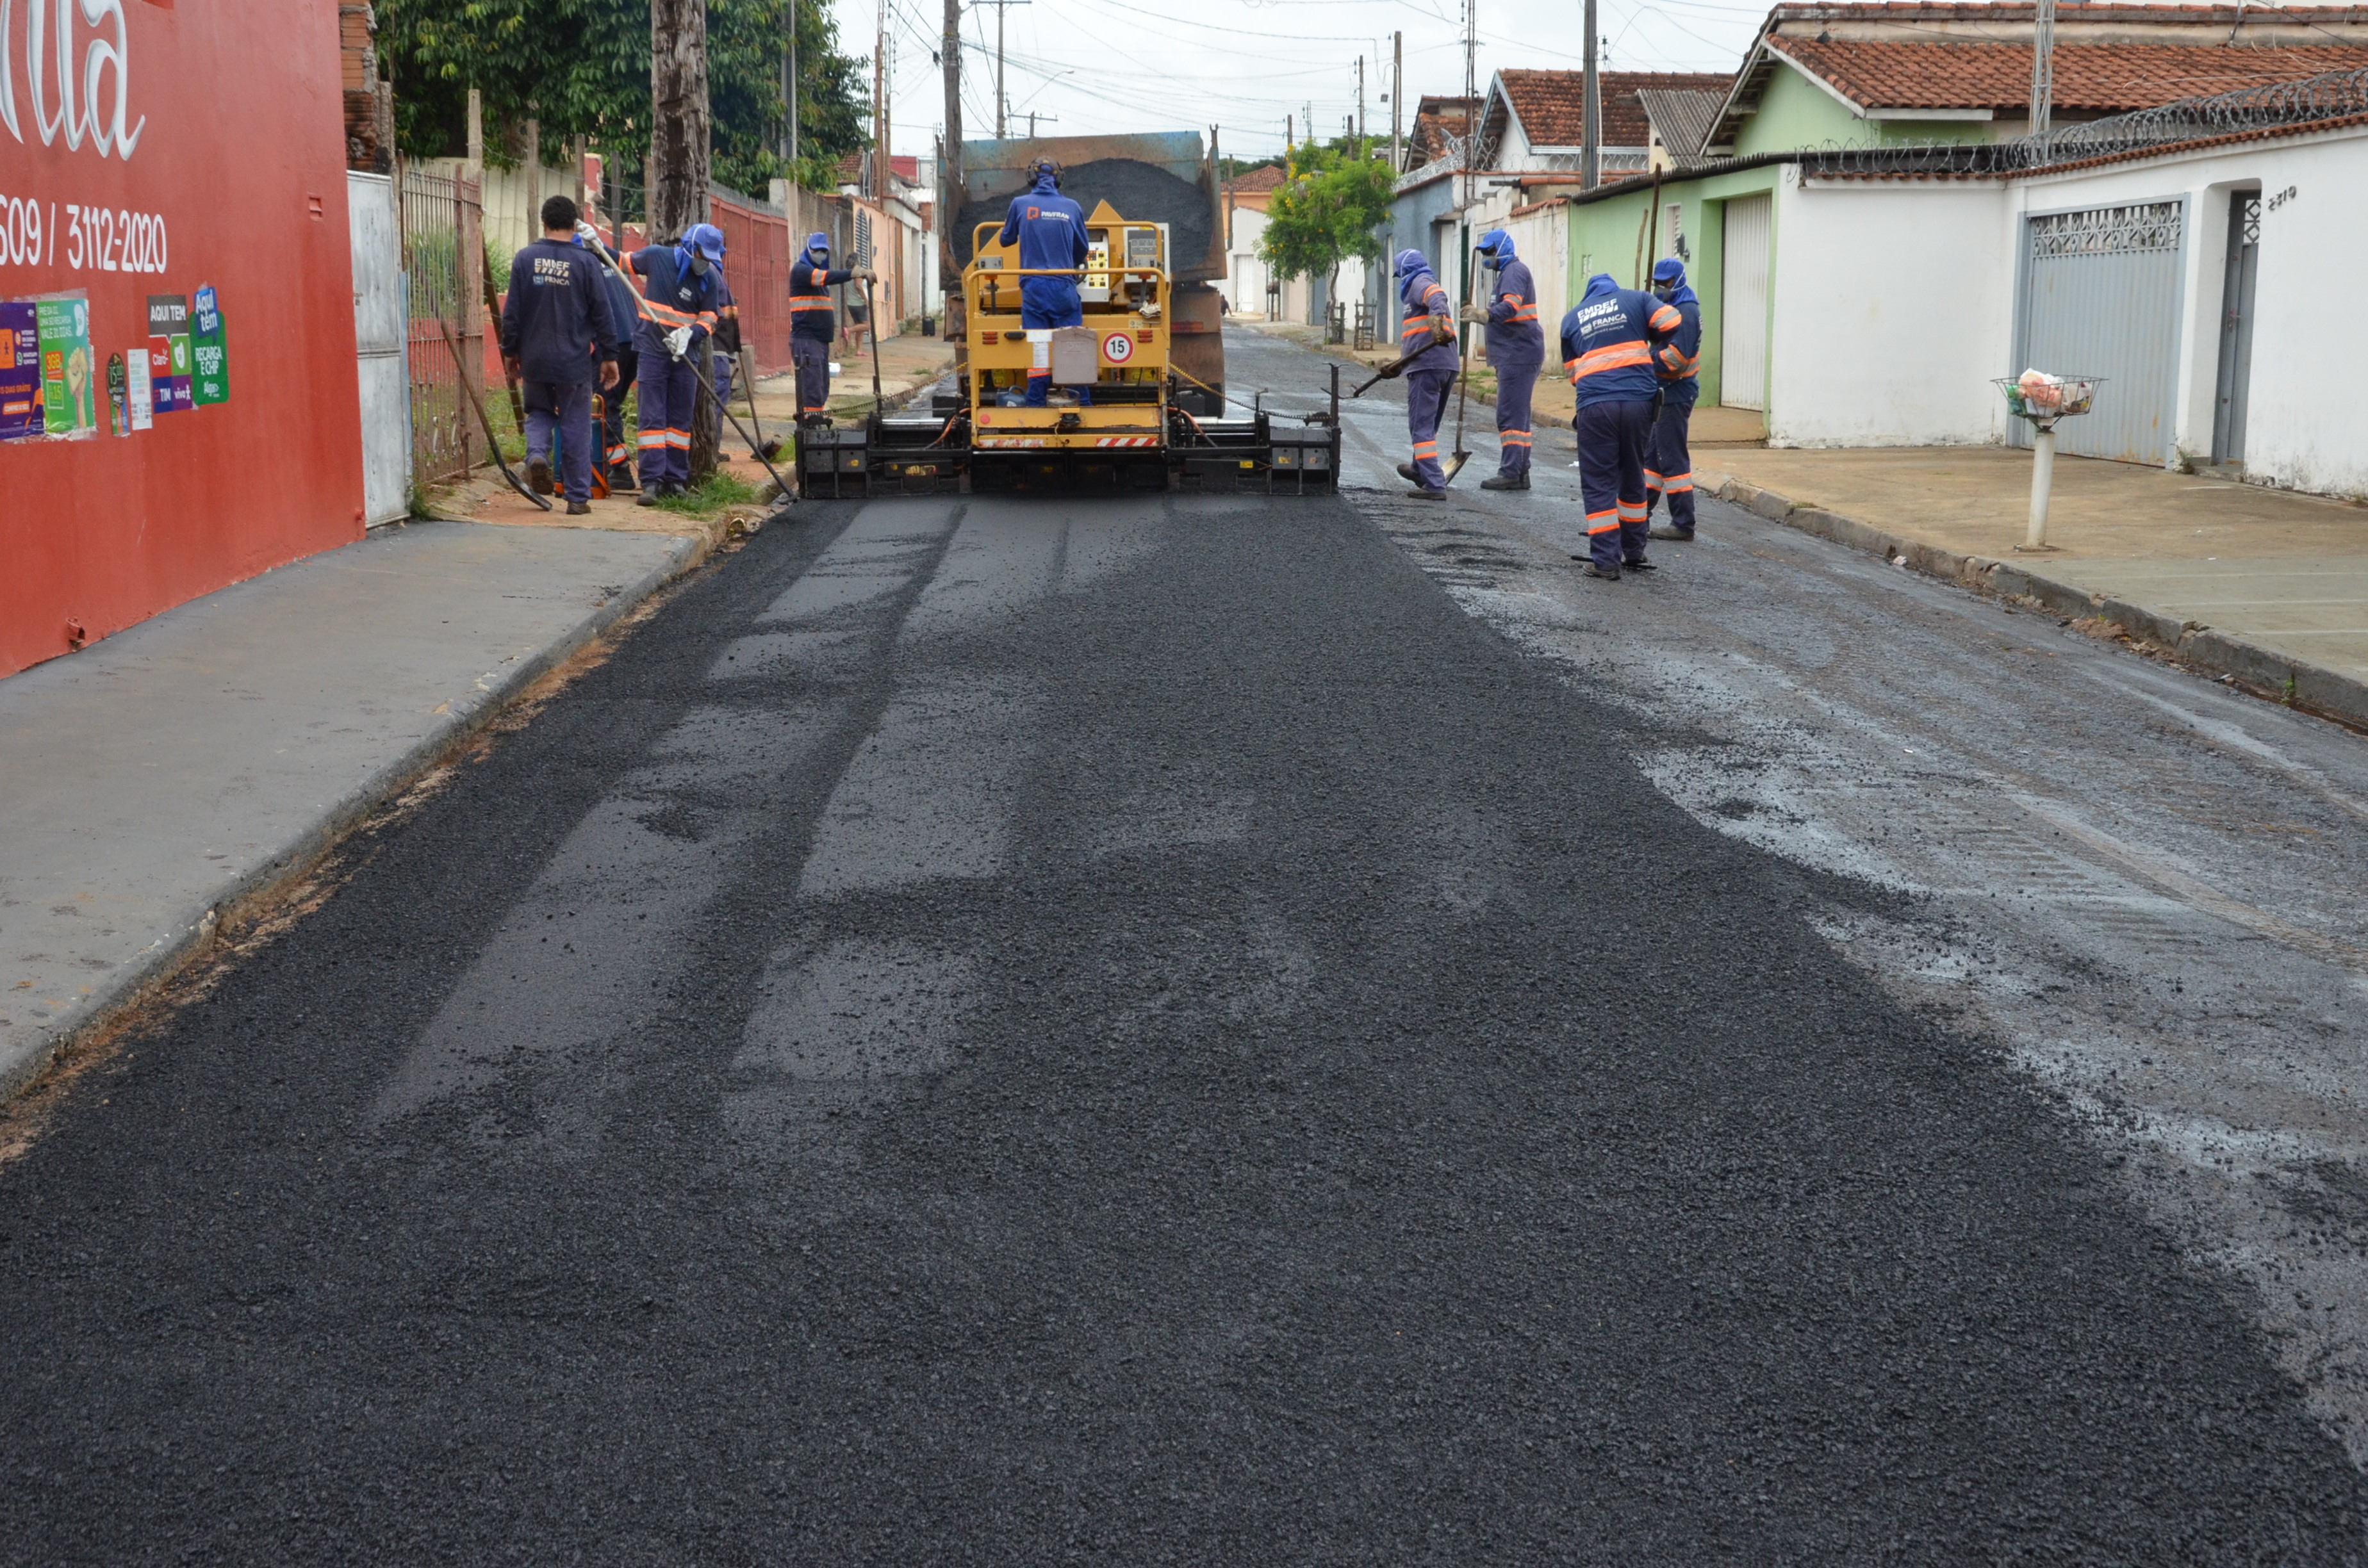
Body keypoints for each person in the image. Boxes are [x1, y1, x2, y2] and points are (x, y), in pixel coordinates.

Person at [500, 195, 620, 516]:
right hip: (574, 361)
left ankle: (537, 454)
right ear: (574, 225)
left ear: (544, 223)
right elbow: (603, 314)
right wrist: (609, 355)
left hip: (535, 358)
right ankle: (578, 498)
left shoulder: (525, 259)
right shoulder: (586, 263)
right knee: (576, 425)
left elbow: (512, 314)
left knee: (539, 411)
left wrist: (510, 352)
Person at [1560, 271, 1682, 580]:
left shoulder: (1572, 318)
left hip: (1596, 405)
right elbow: (1671, 322)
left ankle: (1605, 561)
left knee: (1599, 481)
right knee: (1633, 472)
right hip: (1639, 403)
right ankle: (1634, 549)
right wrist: (1651, 334)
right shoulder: (1637, 299)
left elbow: (1573, 374)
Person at [625, 220, 725, 501]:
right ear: (691, 247)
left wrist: (690, 334)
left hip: (685, 357)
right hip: (652, 352)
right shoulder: (656, 257)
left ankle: (675, 481)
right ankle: (651, 482)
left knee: (680, 422)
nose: (705, 262)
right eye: (702, 255)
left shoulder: (709, 278)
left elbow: (711, 317)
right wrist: (595, 245)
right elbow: (623, 262)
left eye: (710, 258)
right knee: (652, 417)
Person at [997, 158, 1092, 407]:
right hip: (1064, 287)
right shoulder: (1072, 207)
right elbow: (1083, 249)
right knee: (1071, 345)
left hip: (1034, 289)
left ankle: (1036, 403)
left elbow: (1005, 240)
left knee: (1038, 347)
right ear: (1059, 179)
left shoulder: (1019, 204)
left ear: (1031, 178)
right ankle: (1082, 402)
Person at [1461, 228, 1543, 493]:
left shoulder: (1514, 272)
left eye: (1490, 251)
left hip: (1518, 354)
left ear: (1503, 250)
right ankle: (1520, 472)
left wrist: (1484, 315)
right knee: (1519, 416)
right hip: (1516, 353)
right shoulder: (1508, 274)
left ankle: (1510, 472)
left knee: (1510, 415)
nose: (1487, 256)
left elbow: (1511, 306)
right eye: (1485, 252)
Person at [1645, 257, 1704, 542]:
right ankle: (1637, 515)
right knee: (1652, 460)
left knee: (1672, 460)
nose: (1660, 288)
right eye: (1657, 283)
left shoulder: (1686, 312)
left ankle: (1683, 524)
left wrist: (1646, 358)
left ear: (1678, 281)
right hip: (1664, 392)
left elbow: (1676, 360)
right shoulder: (1669, 308)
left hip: (1676, 393)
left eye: (1665, 283)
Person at [1392, 248, 1458, 498]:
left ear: (1406, 271)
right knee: (1429, 425)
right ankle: (1420, 469)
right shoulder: (1420, 284)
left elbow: (1437, 297)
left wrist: (1435, 324)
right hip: (1443, 364)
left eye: (1400, 274)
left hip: (1428, 366)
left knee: (1420, 426)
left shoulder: (1420, 282)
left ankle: (1434, 484)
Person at [789, 233, 870, 423]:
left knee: (821, 385)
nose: (820, 254)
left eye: (823, 251)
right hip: (807, 339)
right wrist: (852, 273)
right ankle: (810, 424)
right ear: (808, 250)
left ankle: (815, 420)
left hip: (819, 340)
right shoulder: (802, 271)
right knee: (812, 386)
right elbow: (826, 277)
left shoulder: (819, 277)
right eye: (816, 250)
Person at [596, 252, 642, 491]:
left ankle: (620, 469)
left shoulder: (583, 265)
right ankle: (609, 463)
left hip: (611, 346)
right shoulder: (612, 261)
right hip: (634, 342)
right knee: (609, 406)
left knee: (602, 406)